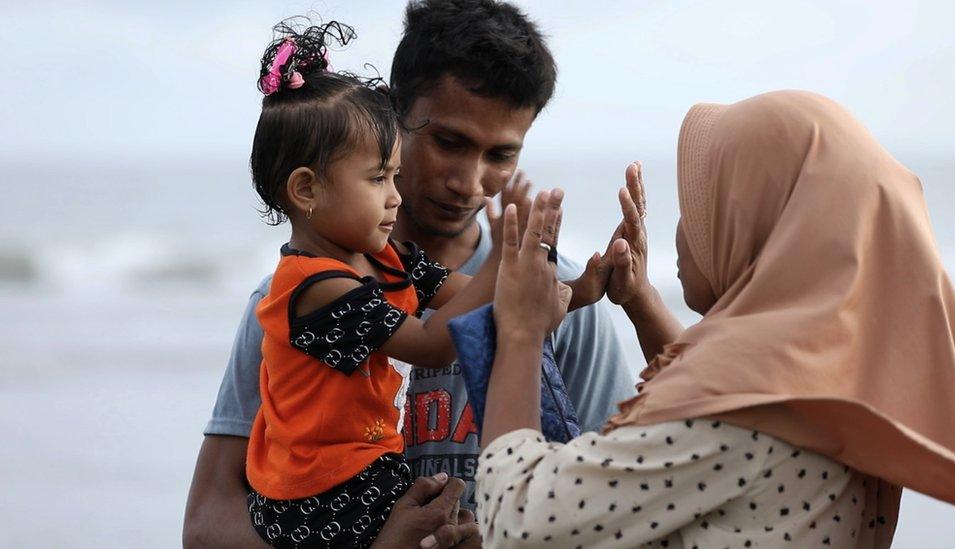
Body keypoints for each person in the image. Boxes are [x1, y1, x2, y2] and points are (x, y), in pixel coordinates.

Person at [183, 1, 646, 546]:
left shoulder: (546, 302)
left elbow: (618, 512)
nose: (469, 182)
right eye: (449, 142)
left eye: (500, 155)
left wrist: (591, 286)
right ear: (392, 118)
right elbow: (209, 522)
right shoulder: (294, 299)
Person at [475, 90, 955, 548]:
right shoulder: (829, 382)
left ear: (758, 224)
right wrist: (642, 300)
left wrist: (521, 331)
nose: (682, 227)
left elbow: (519, 523)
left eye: (701, 206)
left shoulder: (742, 412)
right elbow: (723, 404)